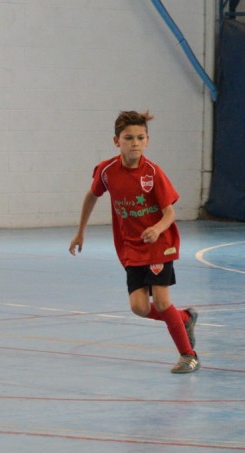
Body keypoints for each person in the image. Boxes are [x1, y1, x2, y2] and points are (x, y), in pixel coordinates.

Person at [69, 110, 199, 374]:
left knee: (162, 302)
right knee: (139, 308)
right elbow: (91, 196)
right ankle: (183, 318)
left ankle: (189, 355)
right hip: (130, 246)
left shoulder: (153, 172)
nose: (135, 143)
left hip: (160, 243)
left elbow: (170, 213)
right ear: (117, 141)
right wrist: (80, 231)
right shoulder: (107, 171)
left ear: (147, 141)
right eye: (129, 138)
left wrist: (157, 228)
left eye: (141, 138)